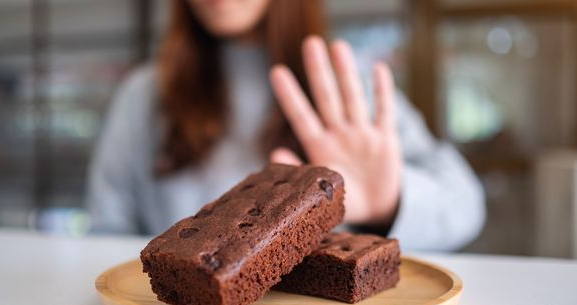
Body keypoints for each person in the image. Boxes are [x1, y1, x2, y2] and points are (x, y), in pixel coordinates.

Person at [87, 0, 485, 251]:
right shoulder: (144, 96)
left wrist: (387, 202)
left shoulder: (346, 85)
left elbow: (465, 206)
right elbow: (106, 233)